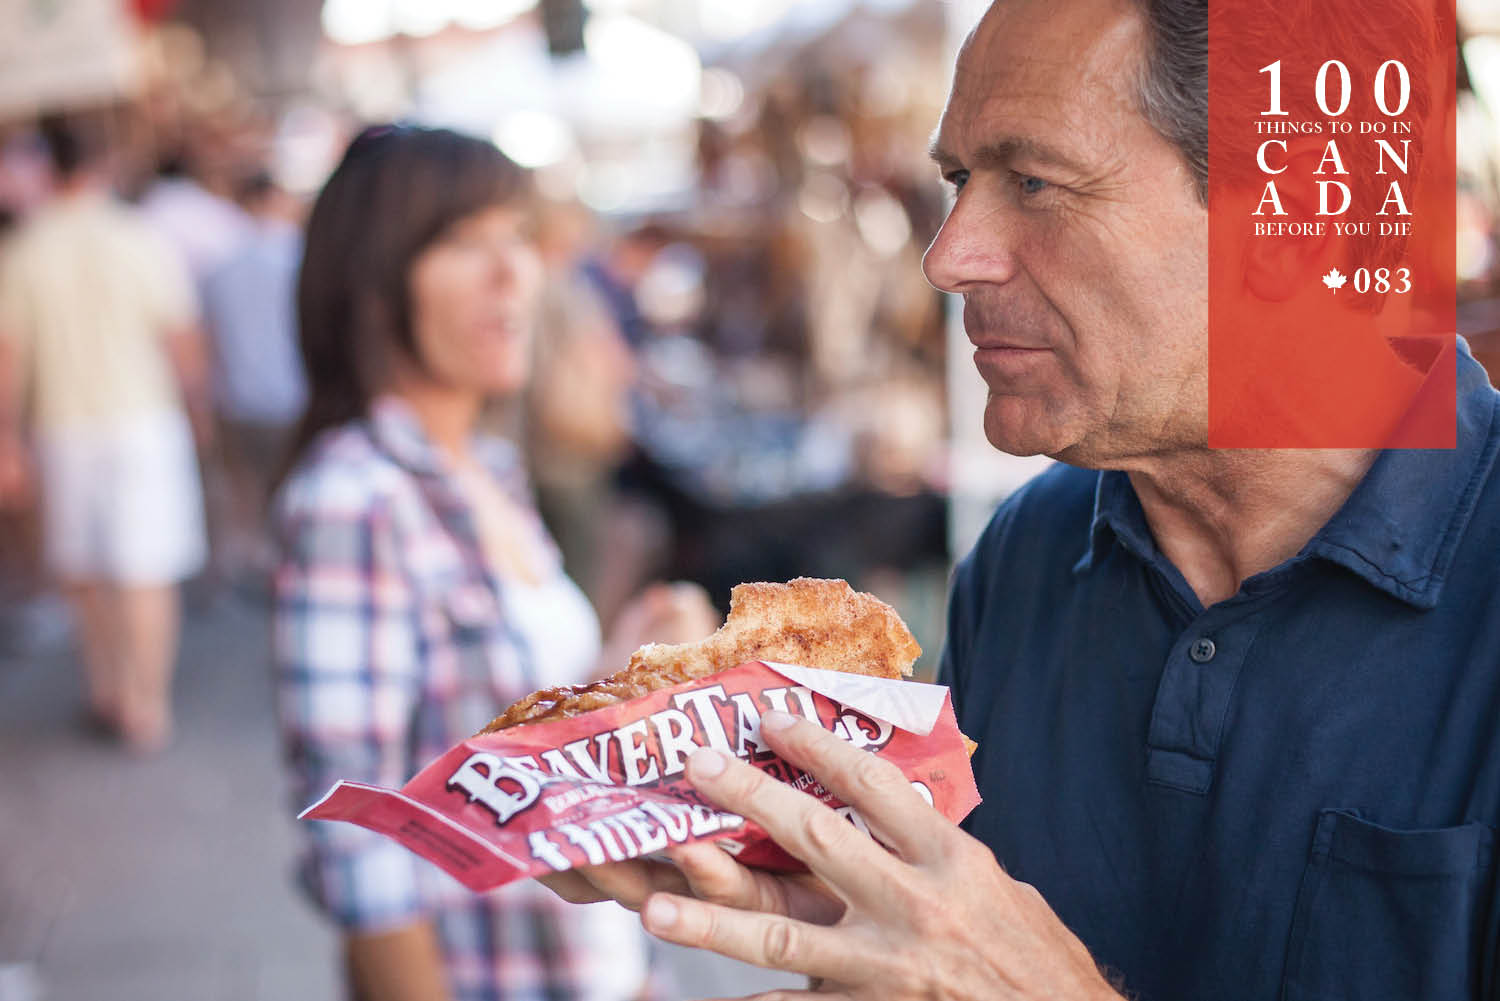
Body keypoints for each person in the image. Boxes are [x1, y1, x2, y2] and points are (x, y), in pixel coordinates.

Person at [534, 1, 1500, 999]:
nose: (951, 255)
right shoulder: (1030, 552)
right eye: (960, 179)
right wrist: (831, 899)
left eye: (1033, 180)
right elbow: (971, 932)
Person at [272, 124, 719, 1001]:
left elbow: (505, 743)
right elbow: (359, 846)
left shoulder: (489, 466)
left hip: (589, 960)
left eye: (515, 236)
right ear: (373, 284)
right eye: (466, 243)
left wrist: (638, 658)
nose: (514, 272)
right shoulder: (355, 497)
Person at [0, 113, 211, 752]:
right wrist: (199, 413)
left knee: (84, 571)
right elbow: (181, 339)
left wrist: (8, 440)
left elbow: (8, 355)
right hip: (145, 423)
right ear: (104, 165)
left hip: (64, 428)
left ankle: (108, 687)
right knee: (146, 572)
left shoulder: (26, 247)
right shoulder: (138, 236)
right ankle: (147, 704)